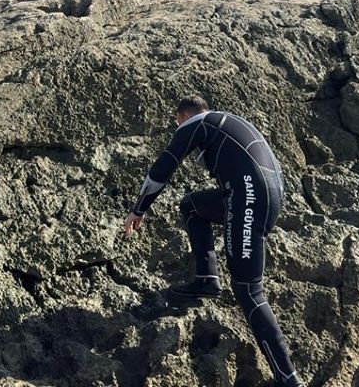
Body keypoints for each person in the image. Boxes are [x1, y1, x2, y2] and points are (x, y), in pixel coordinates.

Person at [123, 96, 302, 387]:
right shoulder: (226, 122)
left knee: (248, 289)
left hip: (249, 198)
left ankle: (288, 379)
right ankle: (206, 279)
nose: (178, 127)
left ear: (182, 115)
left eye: (177, 122)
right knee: (192, 205)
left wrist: (139, 209)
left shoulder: (196, 123)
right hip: (267, 194)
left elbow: (164, 166)